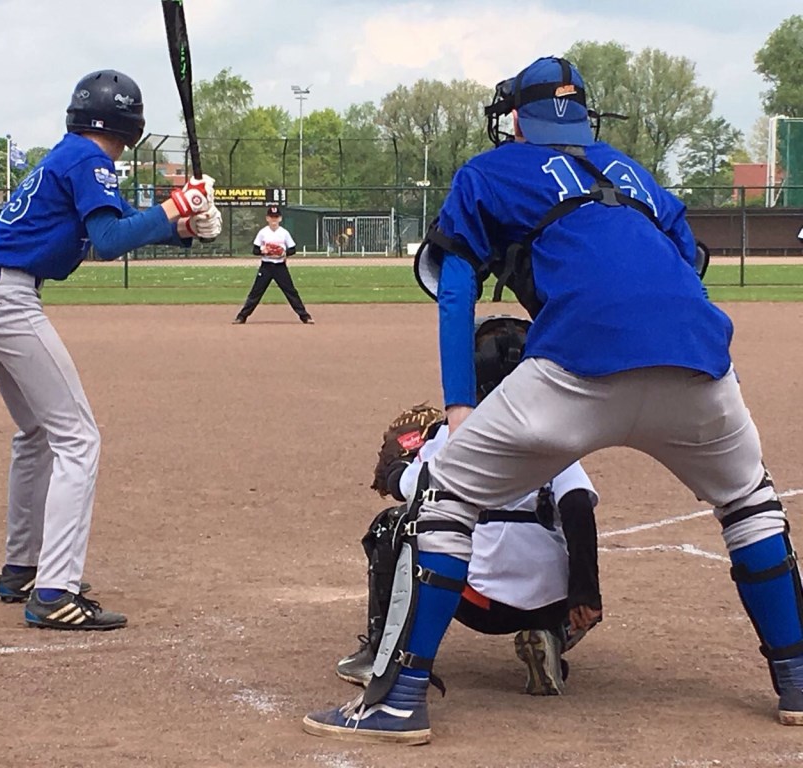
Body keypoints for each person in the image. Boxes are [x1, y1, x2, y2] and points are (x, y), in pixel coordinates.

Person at [304, 56, 803, 744]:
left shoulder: (490, 169)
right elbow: (682, 271)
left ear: (515, 117)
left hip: (578, 364)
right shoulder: (635, 173)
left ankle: (400, 699)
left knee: (446, 498)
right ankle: (797, 682)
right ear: (585, 115)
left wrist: (459, 405)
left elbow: (455, 287)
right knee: (750, 505)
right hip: (699, 362)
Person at [0, 69, 222, 631]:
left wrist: (183, 226)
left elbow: (120, 227)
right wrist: (178, 208)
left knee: (37, 434)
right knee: (78, 438)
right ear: (132, 122)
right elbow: (108, 243)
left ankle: (24, 567)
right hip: (6, 297)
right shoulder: (89, 161)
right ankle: (54, 590)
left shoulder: (74, 156)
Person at [333, 316, 601, 699]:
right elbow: (577, 506)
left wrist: (397, 469)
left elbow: (408, 489)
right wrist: (585, 594)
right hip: (550, 602)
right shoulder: (557, 435)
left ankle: (381, 652)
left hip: (477, 601)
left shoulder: (453, 435)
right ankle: (552, 634)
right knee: (564, 541)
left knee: (392, 526)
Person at [232, 205, 313, 324]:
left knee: (290, 291)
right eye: (271, 217)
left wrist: (284, 253)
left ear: (280, 218)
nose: (274, 220)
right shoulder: (263, 233)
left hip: (280, 267)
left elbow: (293, 249)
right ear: (267, 218)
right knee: (256, 292)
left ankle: (305, 316)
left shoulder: (284, 233)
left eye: (276, 217)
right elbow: (254, 250)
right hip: (266, 266)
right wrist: (262, 251)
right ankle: (242, 317)